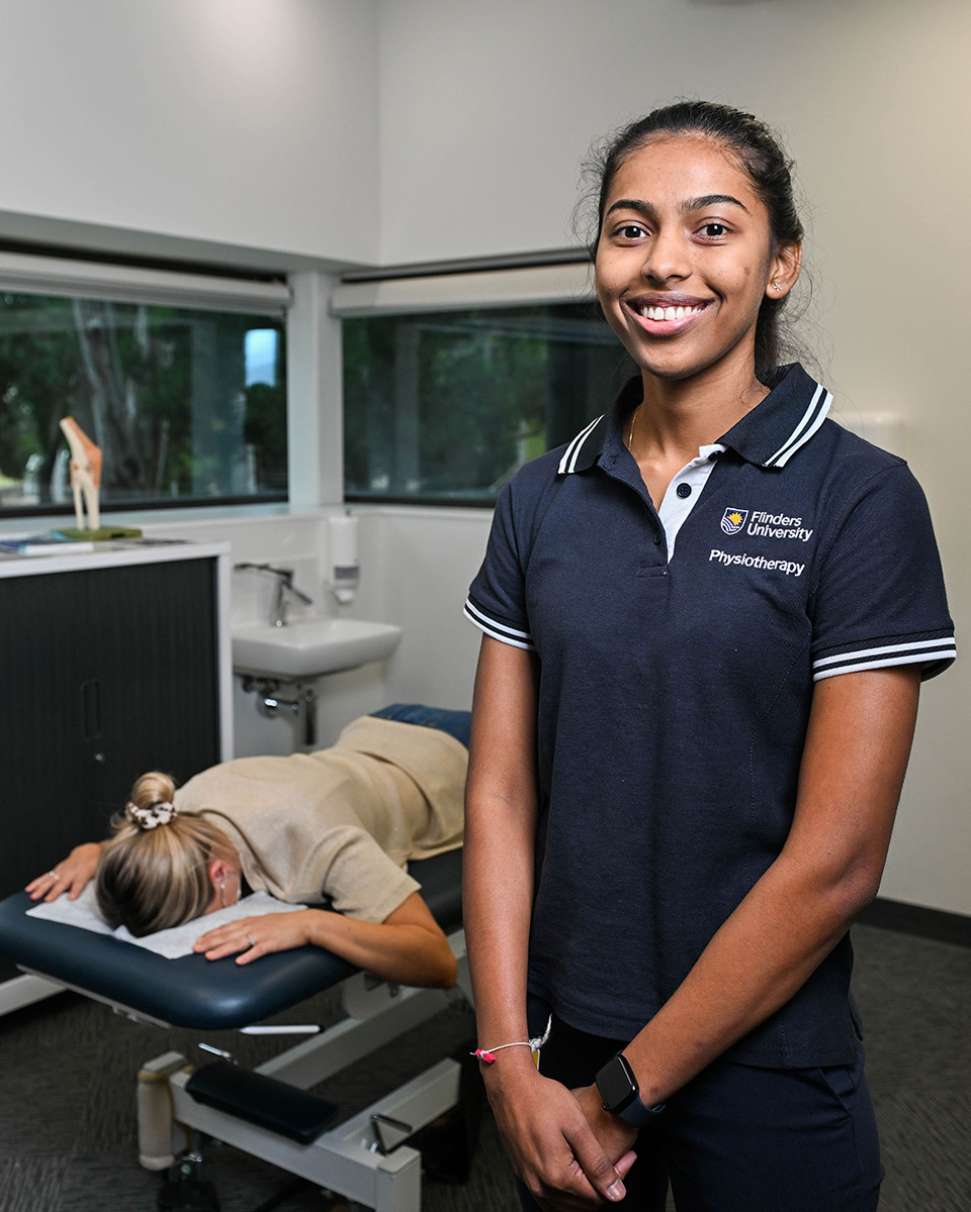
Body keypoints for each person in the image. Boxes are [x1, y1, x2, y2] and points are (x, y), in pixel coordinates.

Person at [462, 101, 956, 1211]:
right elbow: (496, 794)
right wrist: (506, 1059)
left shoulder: (859, 497)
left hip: (764, 1047)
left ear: (778, 264)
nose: (661, 262)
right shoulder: (537, 497)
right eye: (627, 229)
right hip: (566, 1035)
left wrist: (622, 1095)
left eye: (711, 227)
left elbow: (834, 860)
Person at [27, 704, 470, 990]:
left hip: (457, 755)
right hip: (377, 728)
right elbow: (157, 838)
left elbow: (436, 961)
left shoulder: (320, 840)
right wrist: (100, 851)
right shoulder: (183, 813)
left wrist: (314, 925)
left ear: (220, 875)